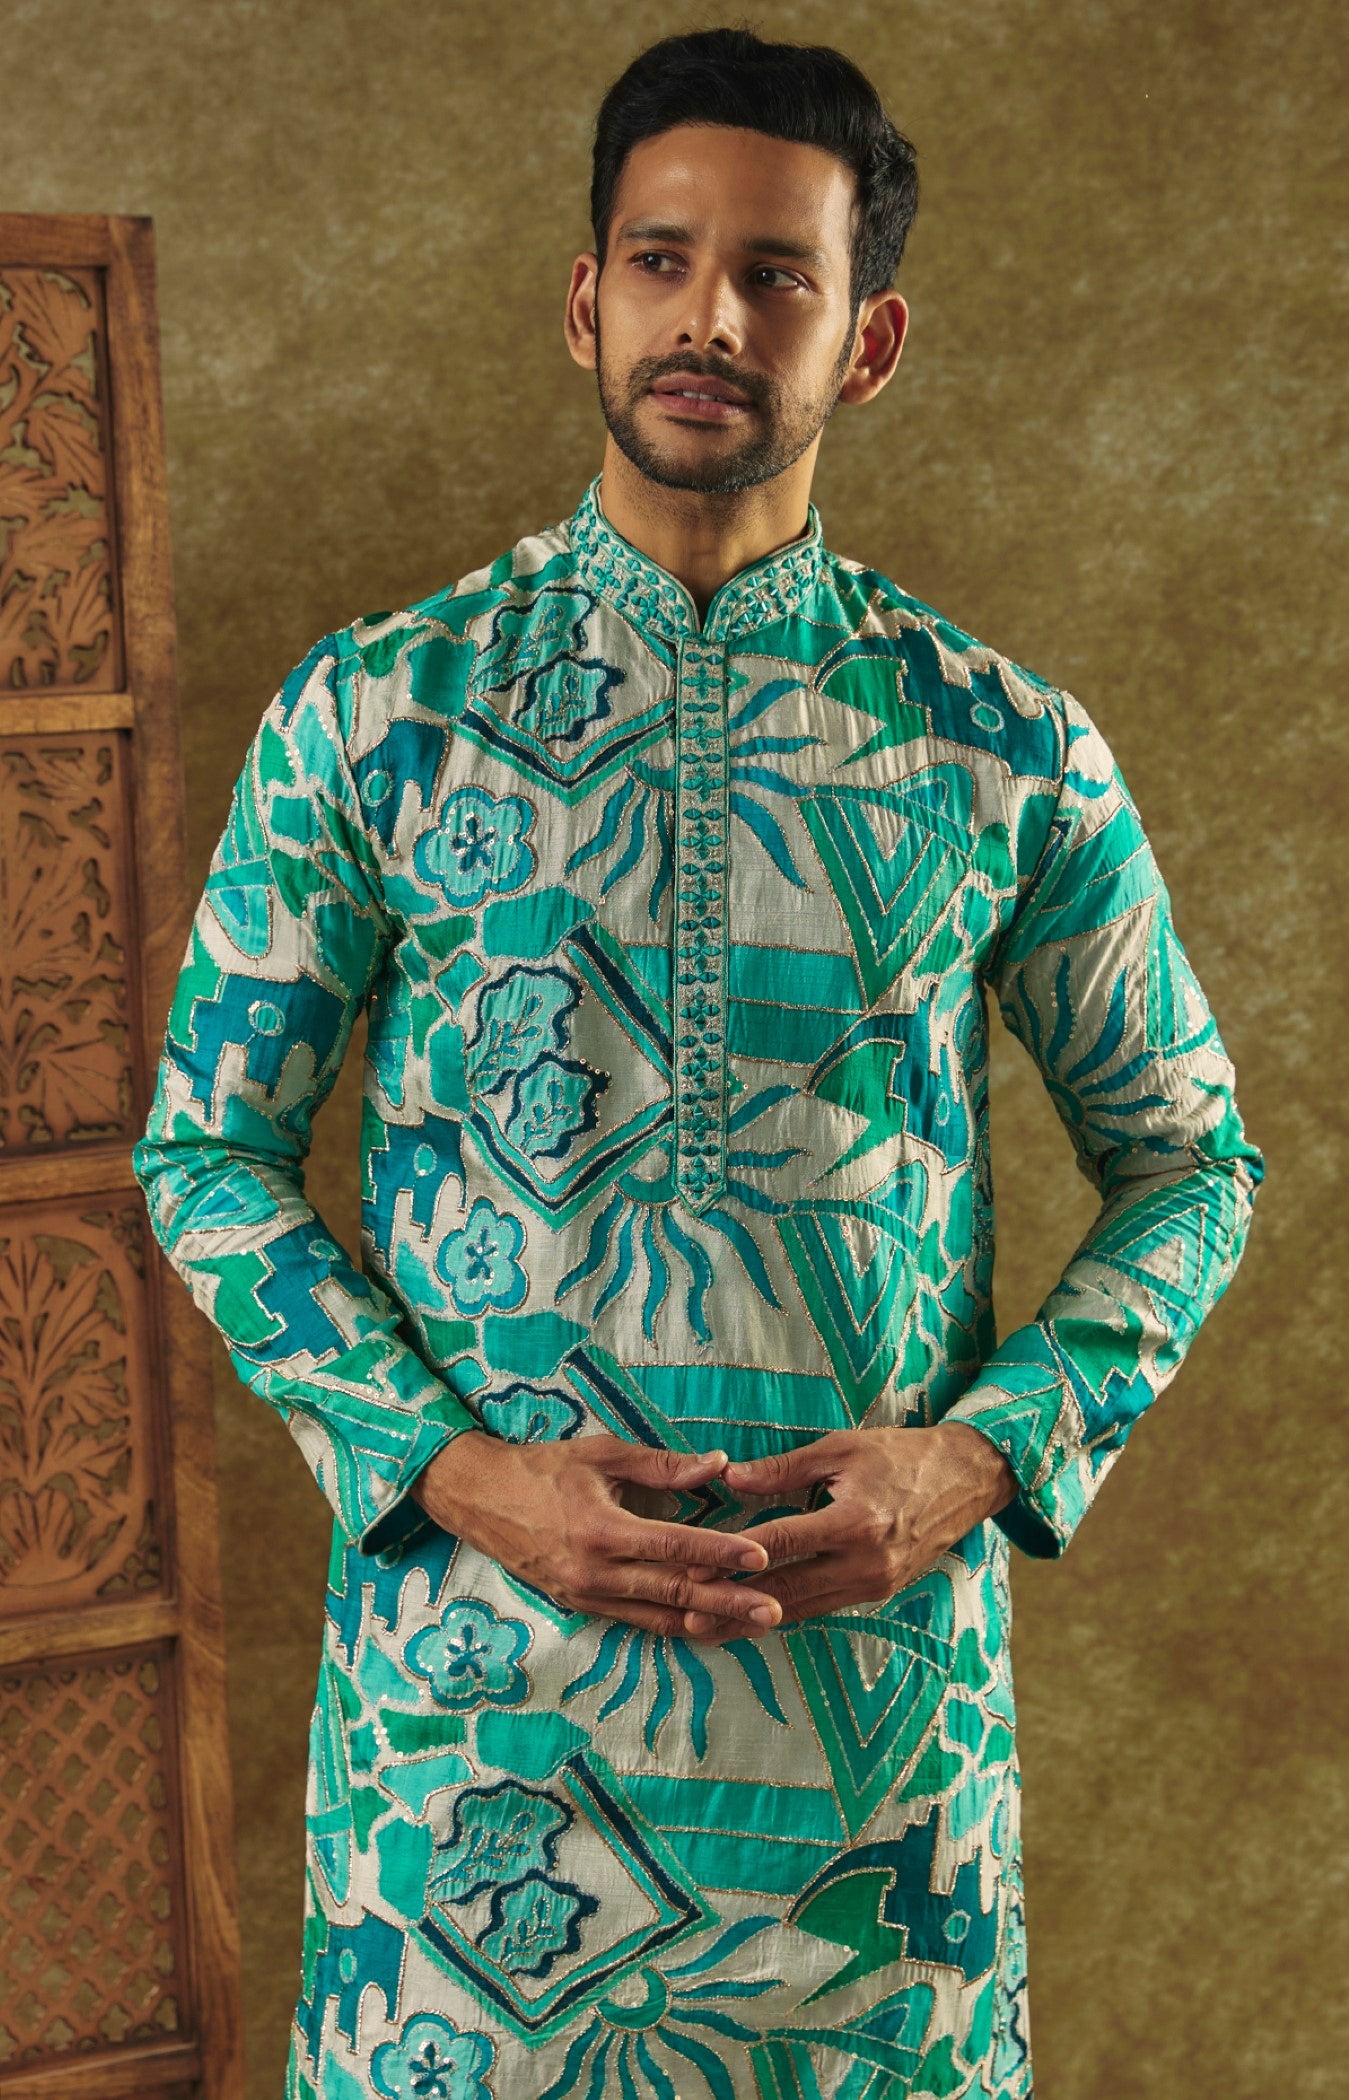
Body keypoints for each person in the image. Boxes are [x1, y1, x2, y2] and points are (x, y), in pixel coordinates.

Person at [132, 25, 1265, 2100]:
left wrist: (982, 1456)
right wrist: (451, 1470)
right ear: (585, 302)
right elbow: (205, 1152)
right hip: (479, 1768)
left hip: (872, 1782)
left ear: (869, 341)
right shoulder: (379, 715)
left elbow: (1193, 1163)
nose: (710, 320)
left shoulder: (1002, 749)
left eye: (774, 276)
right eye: (661, 261)